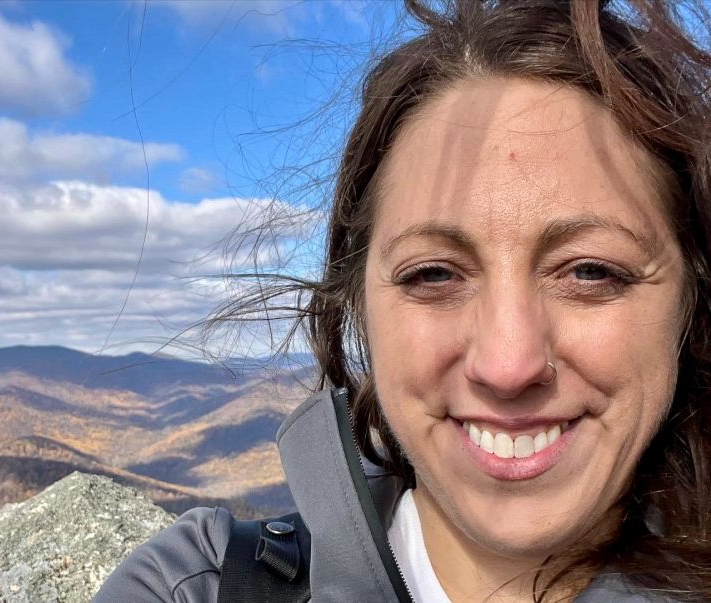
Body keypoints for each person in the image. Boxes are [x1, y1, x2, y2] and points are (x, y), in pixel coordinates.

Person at [94, 0, 711, 601]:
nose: (507, 364)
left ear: (691, 306)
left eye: (592, 271)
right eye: (434, 274)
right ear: (358, 304)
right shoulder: (198, 586)